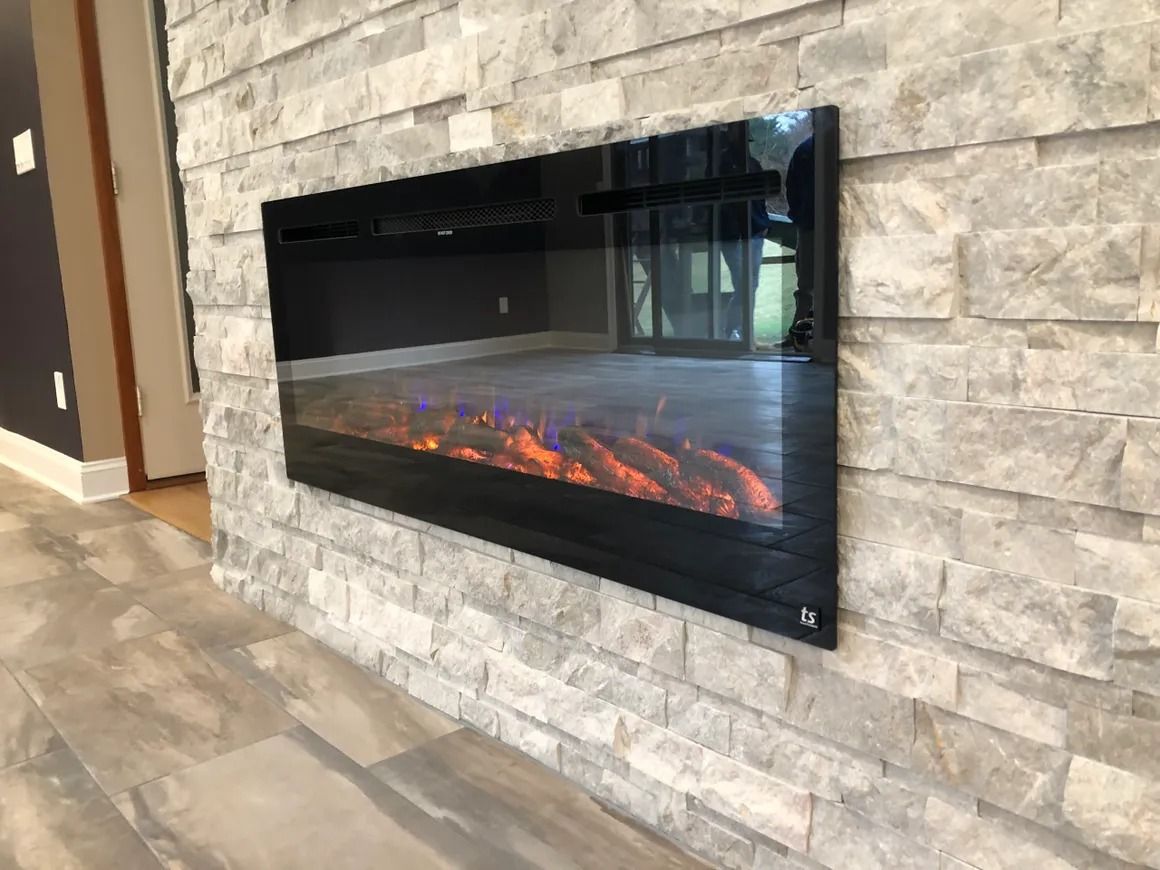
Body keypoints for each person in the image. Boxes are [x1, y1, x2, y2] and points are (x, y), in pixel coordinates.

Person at [781, 135, 814, 350]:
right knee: (806, 283)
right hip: (810, 224)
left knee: (806, 284)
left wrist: (800, 217)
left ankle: (800, 335)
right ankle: (800, 335)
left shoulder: (806, 149)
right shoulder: (807, 150)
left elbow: (791, 187)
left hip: (808, 223)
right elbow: (792, 187)